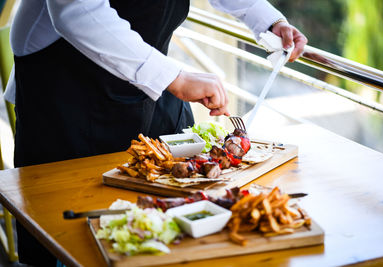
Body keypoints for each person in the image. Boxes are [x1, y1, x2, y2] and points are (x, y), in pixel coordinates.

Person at [3, 0, 307, 265]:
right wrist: (175, 77)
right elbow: (76, 9)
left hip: (148, 80)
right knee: (70, 236)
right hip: (67, 88)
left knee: (179, 211)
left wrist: (270, 22)